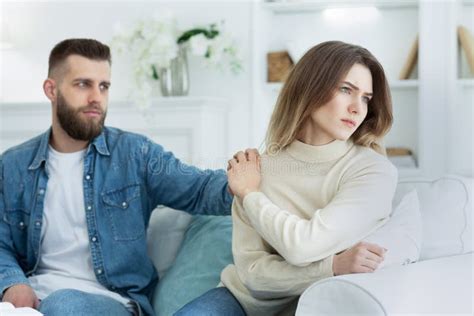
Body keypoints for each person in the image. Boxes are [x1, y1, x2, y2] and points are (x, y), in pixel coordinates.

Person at [0, 38, 233, 316]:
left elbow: (200, 188)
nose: (96, 97)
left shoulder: (135, 153)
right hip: (32, 300)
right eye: (83, 84)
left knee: (63, 305)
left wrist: (250, 181)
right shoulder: (13, 165)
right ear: (52, 89)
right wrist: (13, 283)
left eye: (104, 86)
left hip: (110, 302)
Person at [175, 41, 398, 315]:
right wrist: (332, 266)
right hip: (241, 301)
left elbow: (303, 247)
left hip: (320, 304)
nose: (357, 107)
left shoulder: (372, 171)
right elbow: (252, 273)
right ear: (310, 87)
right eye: (346, 89)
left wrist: (250, 195)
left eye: (366, 97)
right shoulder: (255, 170)